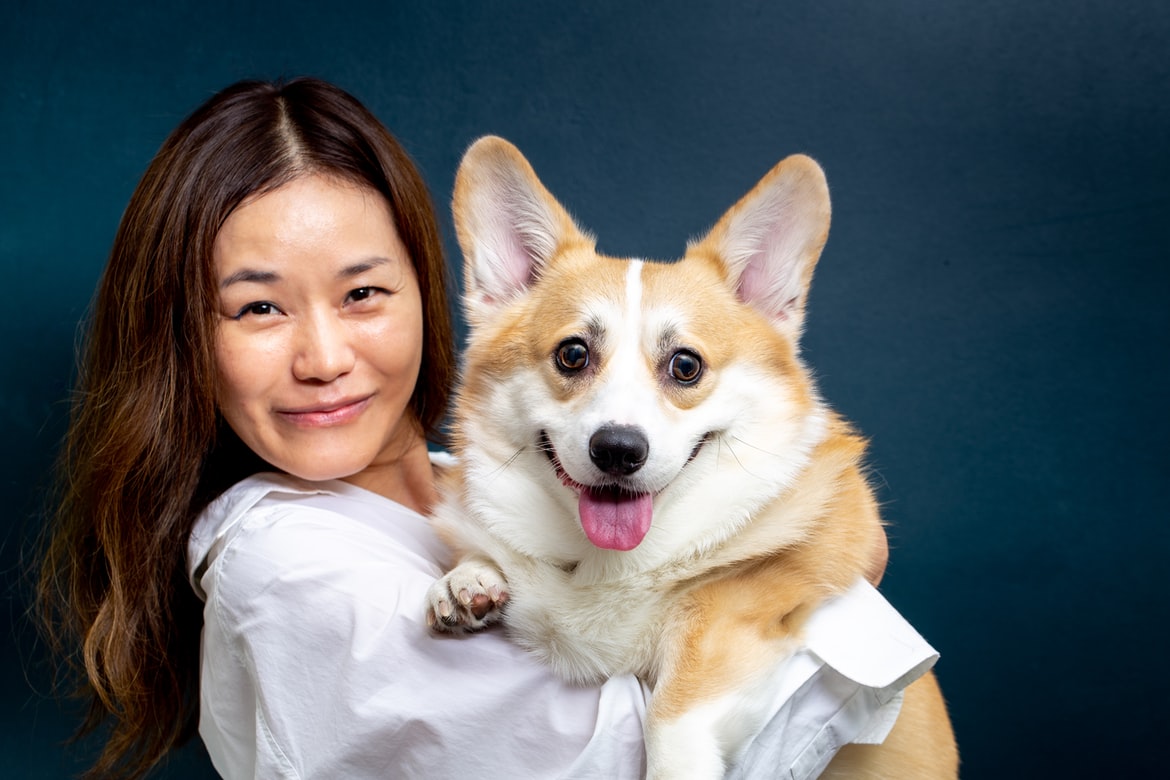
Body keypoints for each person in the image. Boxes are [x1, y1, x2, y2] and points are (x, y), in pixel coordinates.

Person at [37, 77, 929, 780]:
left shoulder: (462, 490)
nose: (324, 357)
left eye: (362, 293)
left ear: (427, 288)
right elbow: (617, 755)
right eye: (259, 307)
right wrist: (823, 571)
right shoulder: (292, 576)